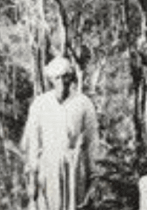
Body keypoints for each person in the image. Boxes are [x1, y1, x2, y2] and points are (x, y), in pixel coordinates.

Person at [22, 55, 99, 210]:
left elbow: (92, 142)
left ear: (71, 78)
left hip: (75, 169)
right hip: (48, 168)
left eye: (66, 77)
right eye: (57, 78)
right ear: (51, 79)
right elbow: (34, 142)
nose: (62, 82)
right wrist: (33, 177)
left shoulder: (83, 103)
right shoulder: (40, 104)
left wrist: (94, 178)